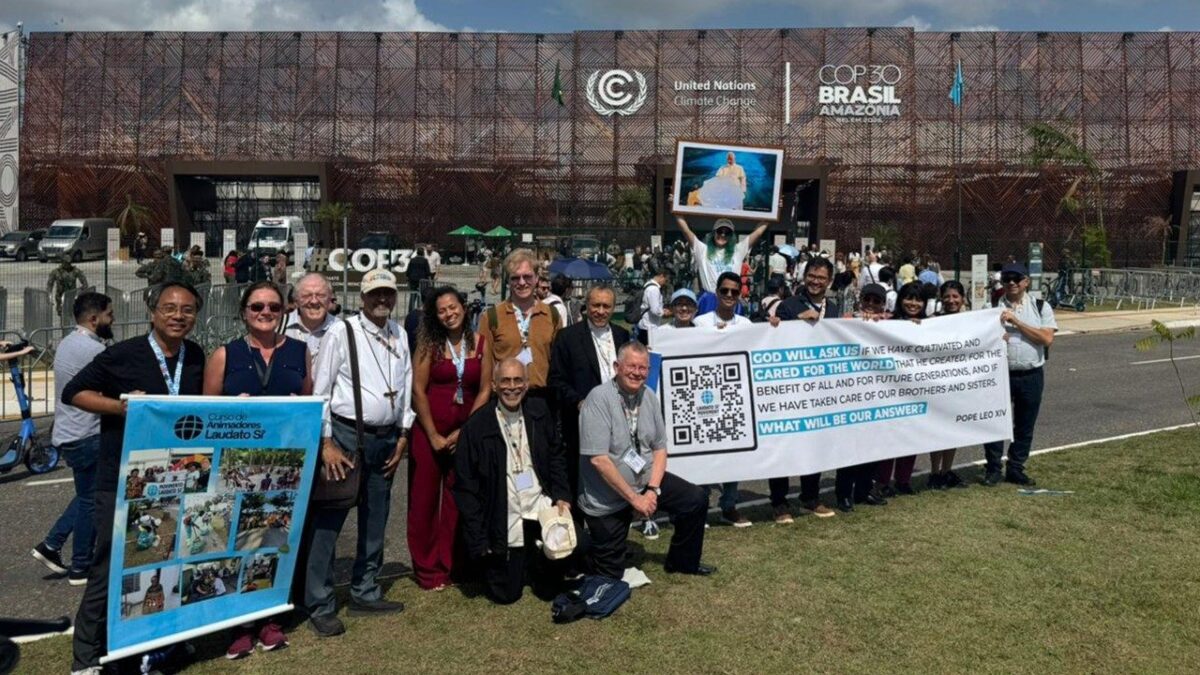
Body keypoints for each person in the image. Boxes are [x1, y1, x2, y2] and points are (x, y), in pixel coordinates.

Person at [65, 281, 206, 673]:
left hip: (175, 479)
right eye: (170, 308)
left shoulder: (194, 355)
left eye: (187, 309)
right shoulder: (123, 355)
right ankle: (87, 658)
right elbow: (74, 393)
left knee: (166, 561)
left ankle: (164, 641)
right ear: (153, 312)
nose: (178, 316)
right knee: (109, 566)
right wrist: (121, 407)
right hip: (123, 479)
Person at [203, 280, 310, 658]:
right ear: (244, 312)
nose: (265, 313)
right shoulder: (225, 354)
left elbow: (309, 403)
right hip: (236, 468)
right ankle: (238, 625)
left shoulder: (299, 351)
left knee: (274, 542)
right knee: (233, 543)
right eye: (257, 307)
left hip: (284, 469)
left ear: (284, 313)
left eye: (273, 308)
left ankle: (268, 619)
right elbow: (207, 413)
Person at [307, 268, 413, 638]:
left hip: (386, 438)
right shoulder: (342, 331)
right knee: (331, 519)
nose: (382, 300)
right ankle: (319, 602)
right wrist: (326, 442)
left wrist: (403, 433)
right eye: (375, 294)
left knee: (376, 517)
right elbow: (321, 390)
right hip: (347, 435)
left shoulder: (399, 333)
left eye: (388, 293)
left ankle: (365, 589)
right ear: (362, 297)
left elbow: (407, 383)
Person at [579, 342, 715, 578]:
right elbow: (599, 460)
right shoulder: (598, 399)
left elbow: (660, 448)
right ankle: (587, 554)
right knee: (609, 575)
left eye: (643, 368)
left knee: (695, 499)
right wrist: (635, 500)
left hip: (644, 483)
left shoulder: (649, 397)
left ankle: (683, 562)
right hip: (607, 496)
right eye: (631, 366)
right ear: (616, 366)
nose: (637, 373)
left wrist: (652, 490)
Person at [454, 358, 573, 604]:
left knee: (560, 573)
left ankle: (537, 559)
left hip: (539, 505)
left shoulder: (540, 412)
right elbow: (466, 488)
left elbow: (556, 457)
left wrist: (562, 495)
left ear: (527, 384)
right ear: (494, 386)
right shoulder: (476, 427)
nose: (512, 387)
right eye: (505, 381)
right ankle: (521, 561)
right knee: (506, 595)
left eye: (518, 380)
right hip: (502, 515)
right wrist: (479, 538)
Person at [408, 287, 492, 591]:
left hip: (464, 436)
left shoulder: (480, 343)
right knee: (424, 501)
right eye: (442, 310)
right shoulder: (428, 345)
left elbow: (484, 389)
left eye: (453, 307)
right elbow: (418, 390)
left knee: (460, 500)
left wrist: (465, 431)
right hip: (429, 434)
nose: (449, 314)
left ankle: (454, 563)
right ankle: (428, 569)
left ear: (464, 307)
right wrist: (432, 434)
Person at [31, 292, 113, 586]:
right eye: (109, 314)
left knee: (86, 495)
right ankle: (80, 566)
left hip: (69, 432)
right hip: (86, 433)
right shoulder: (91, 350)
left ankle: (51, 545)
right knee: (93, 499)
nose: (112, 320)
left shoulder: (68, 342)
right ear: (94, 318)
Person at [765, 258, 842, 521]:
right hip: (790, 387)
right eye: (811, 275)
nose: (815, 281)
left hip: (819, 388)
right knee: (784, 443)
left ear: (829, 281)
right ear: (804, 276)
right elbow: (771, 337)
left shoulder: (833, 309)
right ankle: (779, 501)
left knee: (815, 442)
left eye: (821, 277)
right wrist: (794, 321)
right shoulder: (788, 305)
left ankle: (810, 496)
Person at [548, 285, 630, 496]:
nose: (600, 311)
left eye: (606, 306)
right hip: (581, 421)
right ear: (586, 305)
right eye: (596, 305)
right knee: (581, 479)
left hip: (618, 419)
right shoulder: (568, 337)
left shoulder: (622, 335)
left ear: (613, 308)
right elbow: (556, 380)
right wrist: (579, 402)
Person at [983, 263, 1056, 487]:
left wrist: (1016, 322)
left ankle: (1016, 467)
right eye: (1007, 278)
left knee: (1025, 424)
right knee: (995, 421)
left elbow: (1045, 339)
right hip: (1000, 375)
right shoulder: (991, 306)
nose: (1012, 282)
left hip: (1031, 374)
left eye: (1017, 278)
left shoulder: (1041, 307)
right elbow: (980, 337)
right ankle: (993, 468)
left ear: (1026, 282)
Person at [835, 283, 891, 513]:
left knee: (874, 446)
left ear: (882, 304)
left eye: (876, 301)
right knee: (850, 446)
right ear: (861, 300)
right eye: (867, 299)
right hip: (851, 393)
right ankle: (843, 493)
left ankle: (864, 489)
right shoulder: (847, 320)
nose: (871, 304)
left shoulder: (890, 324)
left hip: (878, 394)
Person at [480, 249, 562, 401]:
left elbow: (558, 364)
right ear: (508, 281)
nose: (522, 282)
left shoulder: (552, 315)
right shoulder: (491, 317)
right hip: (504, 398)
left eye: (527, 276)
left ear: (537, 278)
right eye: (515, 278)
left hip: (542, 398)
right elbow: (485, 365)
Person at [874, 282, 926, 497]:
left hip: (916, 390)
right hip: (890, 390)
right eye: (908, 298)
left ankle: (903, 480)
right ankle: (883, 481)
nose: (913, 303)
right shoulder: (888, 323)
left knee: (910, 435)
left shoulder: (931, 325)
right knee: (889, 437)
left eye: (918, 299)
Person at [673, 214, 767, 314]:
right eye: (720, 231)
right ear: (714, 233)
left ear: (731, 236)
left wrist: (774, 210)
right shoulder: (703, 250)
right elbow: (686, 231)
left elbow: (758, 232)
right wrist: (675, 209)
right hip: (709, 300)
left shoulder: (738, 250)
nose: (723, 235)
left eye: (727, 233)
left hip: (731, 299)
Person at [928, 280, 970, 490]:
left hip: (960, 383)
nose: (951, 301)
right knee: (937, 429)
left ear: (962, 299)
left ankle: (947, 470)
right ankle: (935, 472)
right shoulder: (933, 321)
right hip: (937, 382)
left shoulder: (973, 321)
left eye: (955, 296)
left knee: (954, 428)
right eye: (947, 297)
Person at [283, 273, 338, 360]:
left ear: (329, 299)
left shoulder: (342, 329)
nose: (314, 301)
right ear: (296, 300)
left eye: (321, 295)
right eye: (306, 295)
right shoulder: (279, 327)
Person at [636, 266, 671, 344]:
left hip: (646, 325)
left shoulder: (647, 284)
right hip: (649, 327)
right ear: (661, 276)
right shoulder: (654, 289)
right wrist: (664, 312)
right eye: (666, 280)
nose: (666, 282)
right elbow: (655, 310)